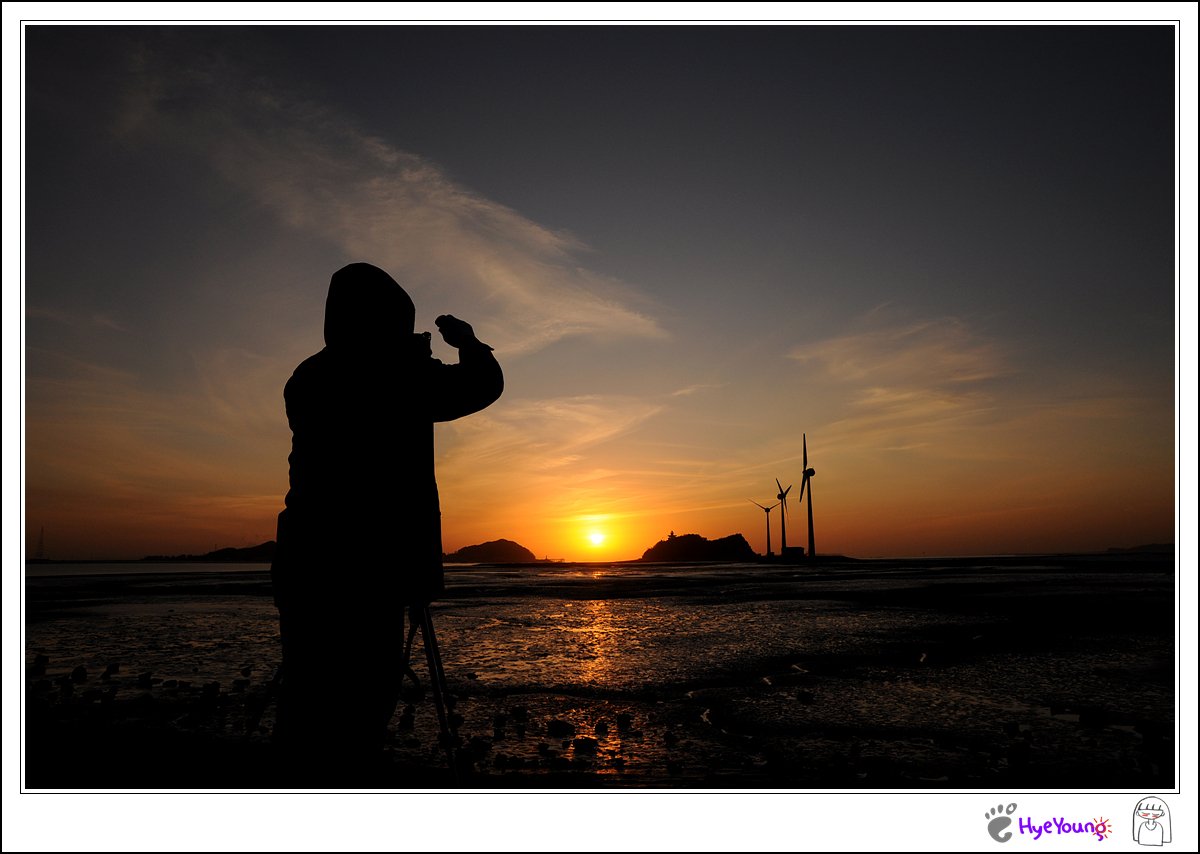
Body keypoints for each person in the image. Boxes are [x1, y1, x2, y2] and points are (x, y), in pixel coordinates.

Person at [270, 262, 503, 783]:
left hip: (307, 560)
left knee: (306, 696)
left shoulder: (309, 376)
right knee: (365, 697)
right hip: (378, 563)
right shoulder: (398, 373)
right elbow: (481, 386)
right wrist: (469, 344)